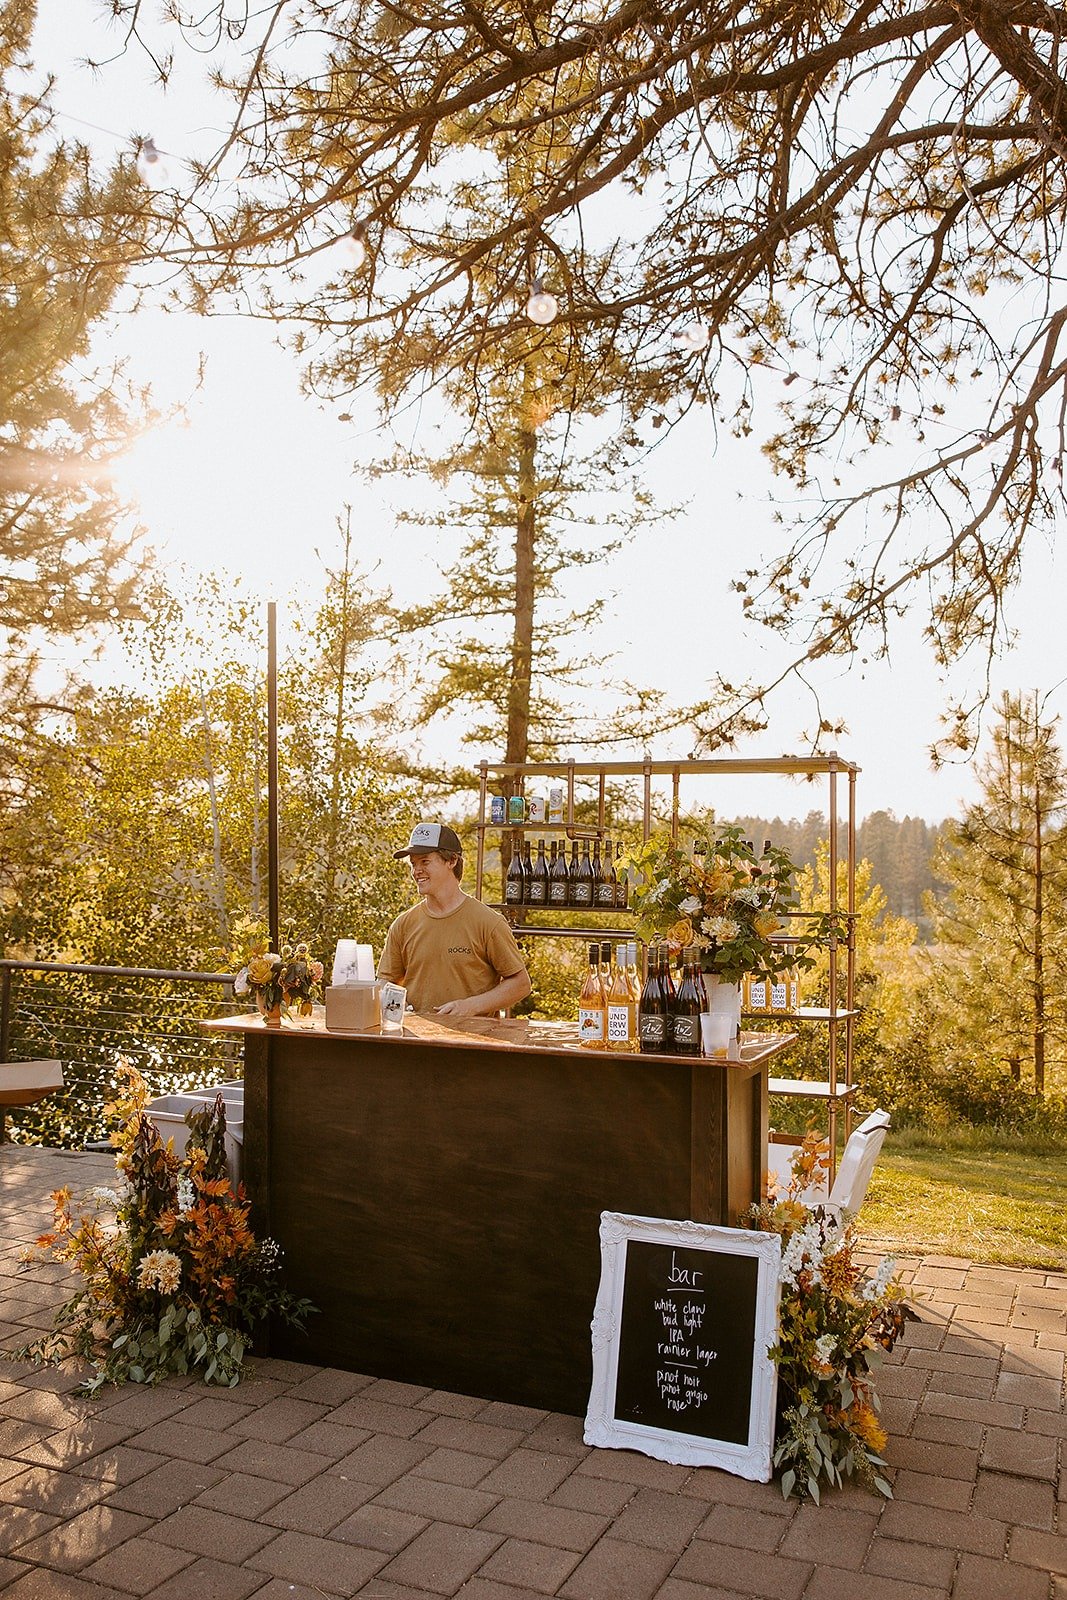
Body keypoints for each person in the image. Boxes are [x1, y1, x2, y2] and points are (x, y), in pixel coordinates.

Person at [377, 822, 532, 1017]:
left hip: (474, 1043)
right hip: (415, 1043)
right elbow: (385, 982)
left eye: (424, 862)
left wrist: (470, 1006)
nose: (416, 871)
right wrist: (394, 1002)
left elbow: (521, 984)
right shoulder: (403, 924)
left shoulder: (488, 922)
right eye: (413, 864)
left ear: (452, 861)